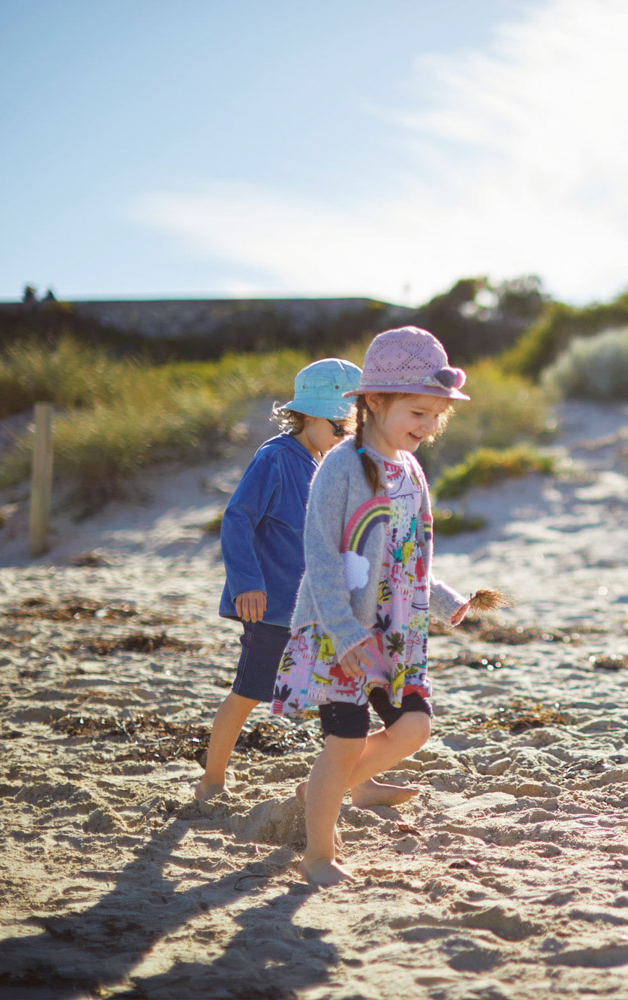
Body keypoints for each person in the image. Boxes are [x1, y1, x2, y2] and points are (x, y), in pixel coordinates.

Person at [272, 327, 476, 886]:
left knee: (413, 729)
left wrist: (443, 599)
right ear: (375, 401)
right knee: (341, 744)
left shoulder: (411, 471)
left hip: (396, 637)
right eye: (418, 411)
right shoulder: (341, 466)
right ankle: (318, 852)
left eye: (437, 416)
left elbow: (407, 555)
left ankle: (330, 788)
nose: (429, 426)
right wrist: (344, 631)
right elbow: (319, 554)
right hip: (344, 633)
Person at [195, 358, 362, 801]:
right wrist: (246, 582)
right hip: (269, 606)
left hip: (316, 606)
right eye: (340, 427)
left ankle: (361, 782)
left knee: (340, 695)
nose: (346, 438)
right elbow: (237, 519)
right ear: (309, 415)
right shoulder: (275, 458)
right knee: (249, 691)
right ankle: (212, 779)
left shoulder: (323, 465)